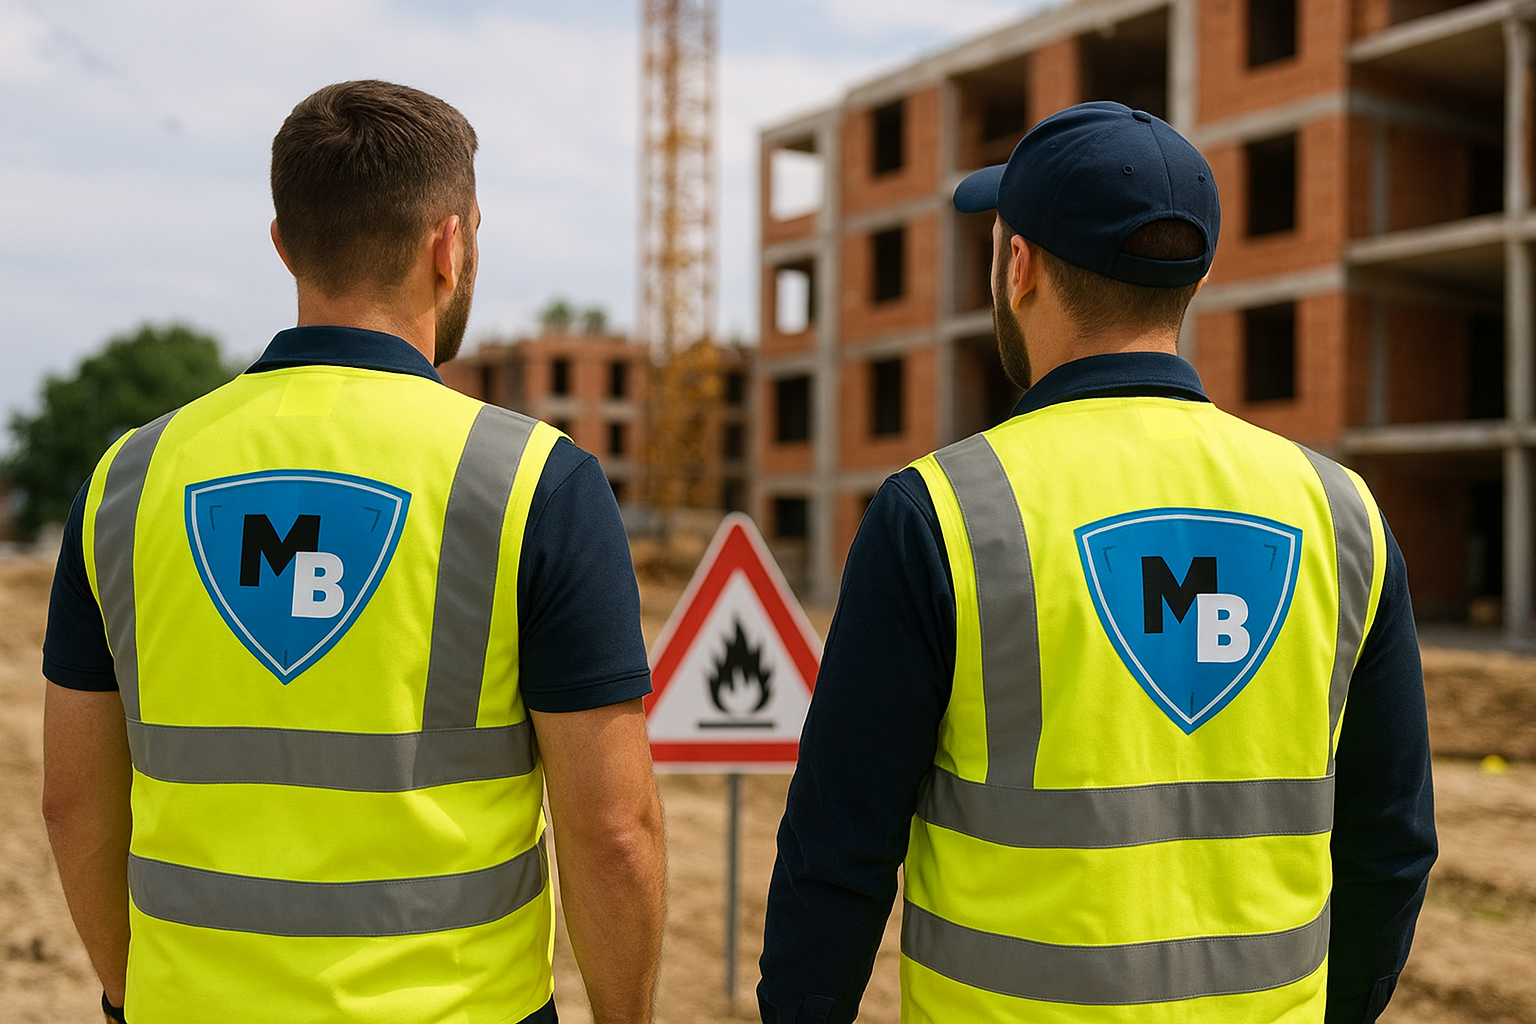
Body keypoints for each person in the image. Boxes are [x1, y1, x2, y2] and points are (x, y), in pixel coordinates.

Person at [758, 101, 1436, 1024]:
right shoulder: (1342, 513)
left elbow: (838, 853)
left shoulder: (942, 513)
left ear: (1021, 268)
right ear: (1194, 281)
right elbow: (1391, 845)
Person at [40, 80, 665, 1024]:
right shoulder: (535, 482)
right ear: (449, 247)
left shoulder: (127, 480)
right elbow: (613, 833)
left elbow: (74, 805)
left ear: (284, 244)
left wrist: (136, 999)